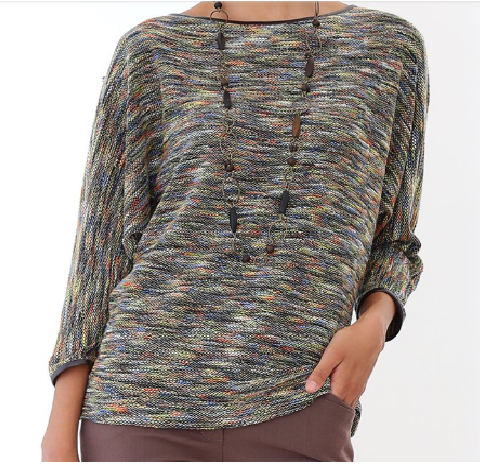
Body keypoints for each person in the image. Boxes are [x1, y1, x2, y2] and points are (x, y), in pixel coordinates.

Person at [41, 1, 429, 462]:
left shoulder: (388, 47)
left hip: (303, 396)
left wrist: (374, 323)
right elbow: (99, 251)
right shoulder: (151, 50)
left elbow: (395, 239)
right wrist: (58, 438)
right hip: (139, 403)